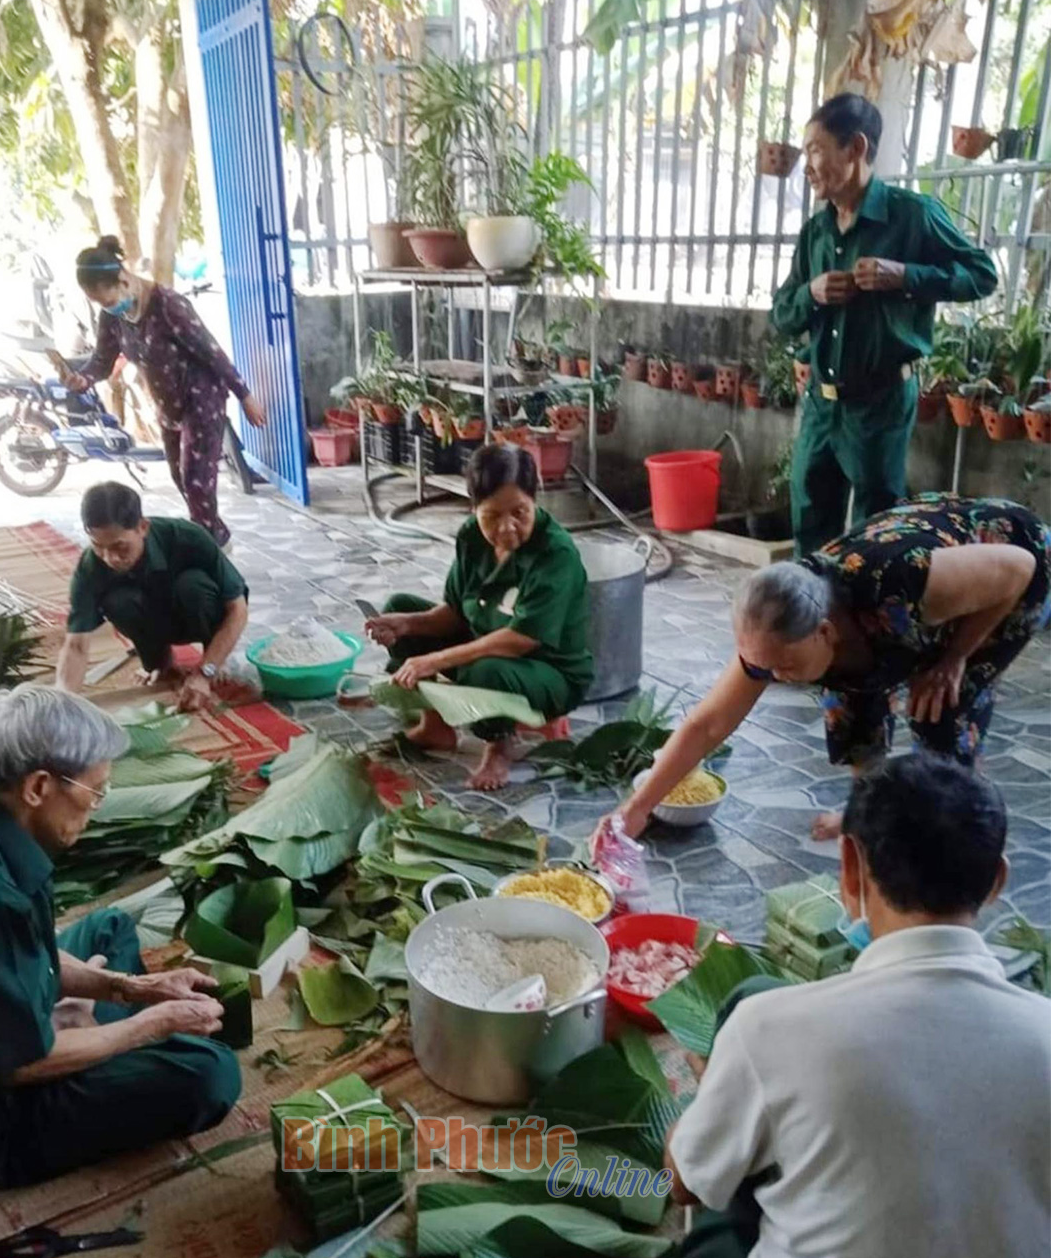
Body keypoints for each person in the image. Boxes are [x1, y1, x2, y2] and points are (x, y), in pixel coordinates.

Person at [663, 752, 1051, 1258]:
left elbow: (682, 1182)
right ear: (998, 880)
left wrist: (710, 1092)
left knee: (723, 1187)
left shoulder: (770, 1031)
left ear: (850, 866)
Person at [0, 685, 240, 1188]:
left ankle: (78, 1025)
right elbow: (23, 1064)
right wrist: (153, 1024)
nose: (97, 806)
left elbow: (17, 949)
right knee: (210, 1074)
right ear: (37, 787)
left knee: (109, 929)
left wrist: (132, 989)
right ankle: (79, 1034)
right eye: (94, 791)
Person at [601, 494, 1050, 843]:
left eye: (786, 666)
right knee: (852, 700)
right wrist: (637, 807)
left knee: (940, 708)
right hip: (907, 592)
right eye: (763, 667)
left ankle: (966, 839)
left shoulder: (904, 580)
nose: (773, 677)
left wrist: (955, 659)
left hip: (1010, 561)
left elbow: (1019, 568)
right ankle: (866, 814)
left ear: (825, 632)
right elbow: (707, 725)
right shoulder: (777, 627)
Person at [772, 93, 997, 556]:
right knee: (811, 524)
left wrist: (906, 276)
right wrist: (809, 294)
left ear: (855, 148)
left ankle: (867, 626)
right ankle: (814, 623)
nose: (806, 164)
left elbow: (983, 274)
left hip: (881, 402)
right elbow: (781, 313)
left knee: (875, 533)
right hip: (821, 400)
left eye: (816, 149)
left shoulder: (913, 216)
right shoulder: (816, 232)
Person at [365, 444, 593, 791]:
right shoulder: (471, 536)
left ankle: (499, 744)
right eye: (491, 516)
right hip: (485, 647)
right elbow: (456, 612)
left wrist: (436, 660)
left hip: (550, 672)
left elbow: (519, 641)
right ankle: (435, 728)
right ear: (473, 509)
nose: (506, 527)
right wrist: (406, 623)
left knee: (483, 669)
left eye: (520, 512)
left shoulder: (555, 553)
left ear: (536, 501)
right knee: (402, 608)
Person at [62, 236, 266, 547]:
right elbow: (102, 361)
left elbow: (212, 352)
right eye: (99, 303)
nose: (107, 307)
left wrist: (245, 395)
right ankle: (217, 539)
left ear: (123, 279)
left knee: (196, 483)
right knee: (180, 478)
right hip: (167, 403)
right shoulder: (113, 317)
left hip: (202, 398)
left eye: (106, 299)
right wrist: (82, 379)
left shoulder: (169, 306)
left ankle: (208, 553)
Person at [57, 482, 249, 711]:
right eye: (99, 547)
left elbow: (238, 610)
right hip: (153, 623)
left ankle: (214, 660)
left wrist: (205, 672)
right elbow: (76, 645)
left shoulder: (187, 536)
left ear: (143, 527)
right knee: (118, 601)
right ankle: (161, 664)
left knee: (193, 586)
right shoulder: (90, 565)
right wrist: (62, 704)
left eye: (120, 547)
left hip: (195, 616)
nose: (110, 558)